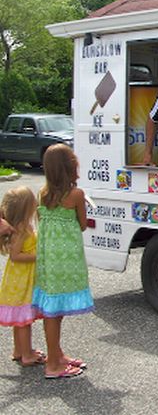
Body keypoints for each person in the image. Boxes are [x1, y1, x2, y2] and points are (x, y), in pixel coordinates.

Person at [33, 144, 94, 379]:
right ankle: (54, 366)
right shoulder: (76, 195)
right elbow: (81, 224)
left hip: (49, 261)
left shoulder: (42, 193)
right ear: (71, 167)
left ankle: (56, 355)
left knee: (52, 310)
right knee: (54, 313)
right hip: (67, 261)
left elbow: (42, 220)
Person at [0, 186, 46, 367]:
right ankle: (27, 354)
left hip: (21, 278)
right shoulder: (20, 229)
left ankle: (19, 350)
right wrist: (38, 256)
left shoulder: (23, 226)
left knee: (19, 318)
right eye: (32, 201)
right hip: (21, 279)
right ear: (24, 207)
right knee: (23, 320)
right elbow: (15, 256)